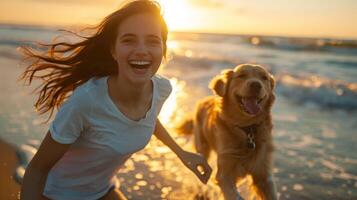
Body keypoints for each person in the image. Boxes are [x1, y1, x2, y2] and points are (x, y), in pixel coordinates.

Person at [19, 0, 212, 199]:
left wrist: (182, 153)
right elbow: (37, 170)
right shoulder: (86, 102)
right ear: (113, 50)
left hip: (104, 190)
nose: (141, 50)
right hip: (59, 194)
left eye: (153, 41)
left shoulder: (162, 89)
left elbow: (149, 117)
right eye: (129, 40)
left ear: (163, 50)